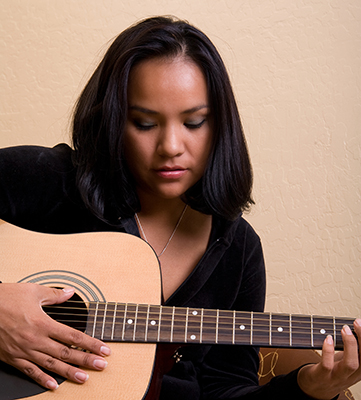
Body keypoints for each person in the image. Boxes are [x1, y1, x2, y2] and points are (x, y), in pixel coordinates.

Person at [0, 16, 360, 399]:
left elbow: (225, 388)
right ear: (112, 121)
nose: (171, 145)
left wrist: (311, 387)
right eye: (143, 123)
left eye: (194, 122)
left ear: (220, 126)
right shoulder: (46, 181)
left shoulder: (237, 249)